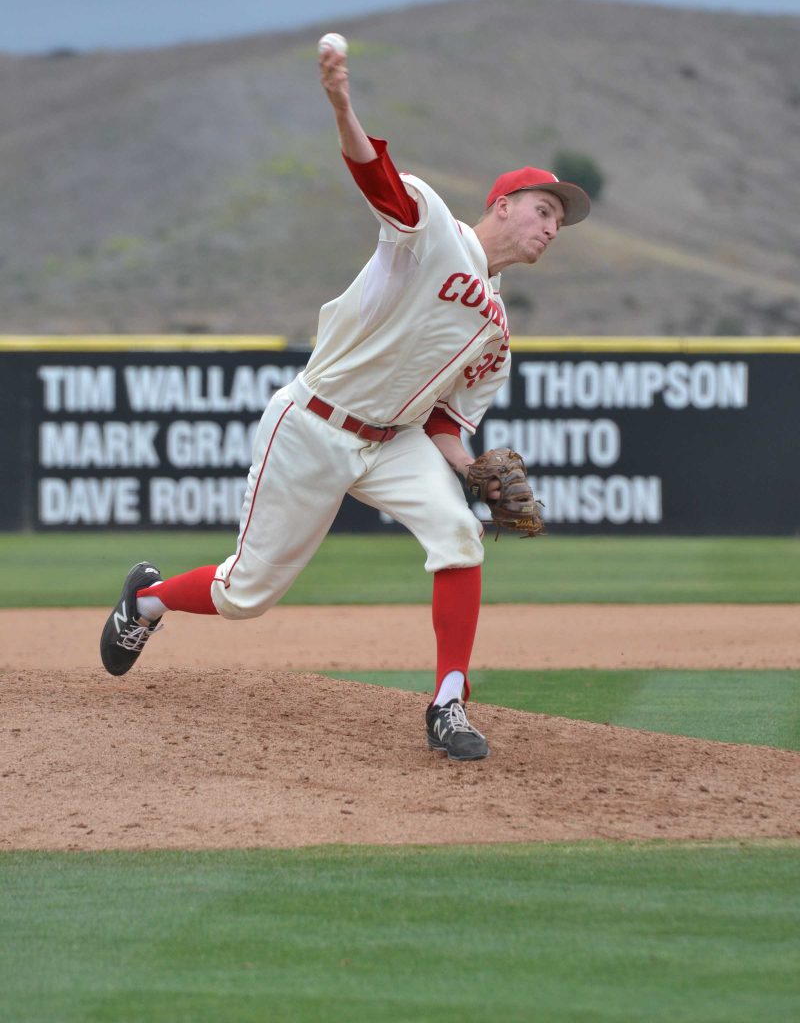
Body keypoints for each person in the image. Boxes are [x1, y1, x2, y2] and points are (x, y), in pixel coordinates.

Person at [100, 40, 590, 761]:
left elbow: (447, 424)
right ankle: (144, 600)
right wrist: (340, 104)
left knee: (458, 535)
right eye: (544, 209)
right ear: (504, 204)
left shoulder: (497, 336)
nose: (552, 227)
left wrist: (474, 469)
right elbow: (375, 174)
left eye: (560, 220)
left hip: (391, 442)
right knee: (246, 594)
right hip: (313, 424)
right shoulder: (432, 232)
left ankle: (448, 703)